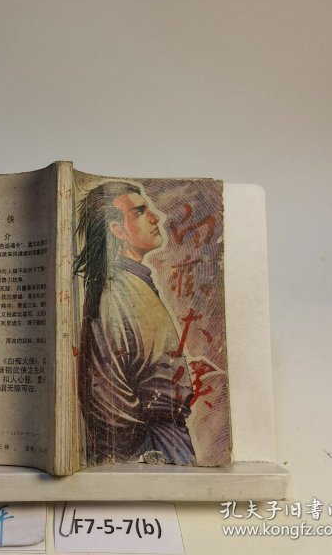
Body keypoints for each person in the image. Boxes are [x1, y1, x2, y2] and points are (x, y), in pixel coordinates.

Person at [74, 181, 196, 466]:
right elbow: (106, 392)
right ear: (117, 230)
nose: (155, 218)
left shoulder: (132, 281)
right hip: (149, 445)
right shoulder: (116, 289)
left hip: (164, 437)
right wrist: (139, 450)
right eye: (140, 212)